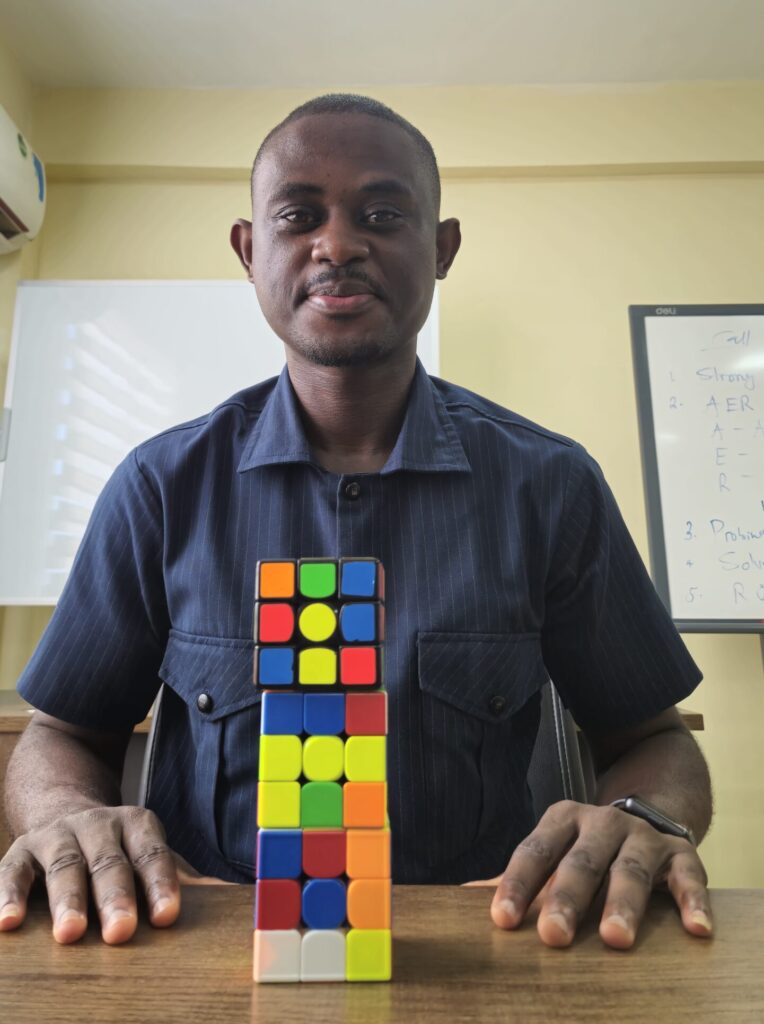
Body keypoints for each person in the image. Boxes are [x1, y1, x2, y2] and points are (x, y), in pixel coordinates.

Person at [1, 94, 712, 951]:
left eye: (382, 213)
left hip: (489, 955)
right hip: (199, 955)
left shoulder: (551, 486)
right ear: (249, 248)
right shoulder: (160, 486)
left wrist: (641, 816)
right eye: (298, 216)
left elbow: (654, 739)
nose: (337, 245)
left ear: (441, 249)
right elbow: (64, 732)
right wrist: (64, 813)